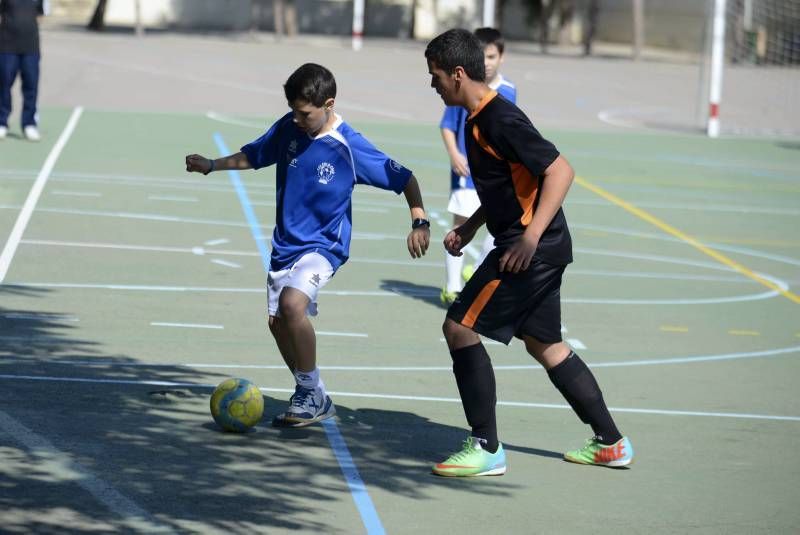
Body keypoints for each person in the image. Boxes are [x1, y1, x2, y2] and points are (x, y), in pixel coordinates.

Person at [425, 29, 633, 477]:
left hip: (529, 248)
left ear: (458, 74)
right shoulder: (474, 118)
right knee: (546, 344)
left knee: (458, 327)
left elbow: (560, 171)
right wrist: (472, 227)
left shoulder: (500, 118)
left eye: (436, 76)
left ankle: (486, 447)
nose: (433, 85)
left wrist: (530, 237)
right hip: (537, 243)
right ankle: (611, 442)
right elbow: (507, 187)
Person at [185, 63, 431, 427]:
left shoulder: (348, 145)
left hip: (324, 246)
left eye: (305, 113)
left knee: (292, 304)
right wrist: (211, 164)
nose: (298, 119)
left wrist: (419, 220)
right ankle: (313, 393)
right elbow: (253, 156)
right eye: (294, 111)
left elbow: (404, 178)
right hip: (285, 246)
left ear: (328, 103)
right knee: (277, 322)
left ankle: (308, 392)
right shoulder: (289, 127)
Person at [439, 27, 516, 306]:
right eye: (482, 56)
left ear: (502, 57)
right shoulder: (463, 88)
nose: (486, 62)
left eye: (492, 56)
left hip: (493, 174)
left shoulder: (508, 91)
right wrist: (454, 154)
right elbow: (448, 126)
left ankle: (477, 269)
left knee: (499, 227)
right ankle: (452, 287)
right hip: (466, 172)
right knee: (459, 227)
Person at [0, 0, 46, 141]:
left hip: (30, 47)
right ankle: (2, 122)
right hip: (7, 46)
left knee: (31, 86)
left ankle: (29, 124)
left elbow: (40, 16)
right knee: (4, 83)